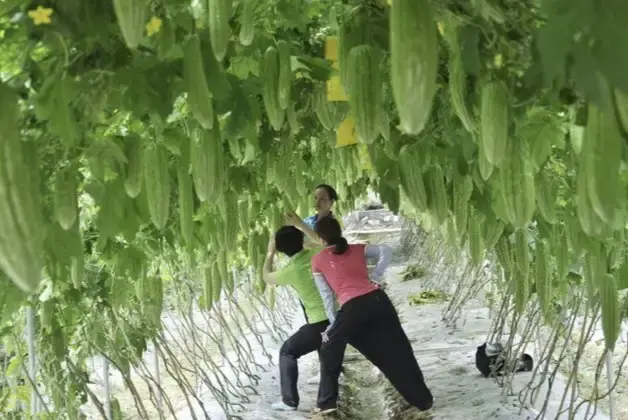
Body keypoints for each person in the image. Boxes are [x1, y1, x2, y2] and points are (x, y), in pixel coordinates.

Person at [285, 215, 434, 414]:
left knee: (330, 347)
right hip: (379, 301)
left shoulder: (317, 260)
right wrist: (376, 276)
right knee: (399, 350)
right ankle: (423, 400)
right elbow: (386, 250)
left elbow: (327, 297)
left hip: (353, 307)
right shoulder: (356, 248)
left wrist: (332, 324)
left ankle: (326, 404)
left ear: (320, 240)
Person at [261, 225, 333, 412]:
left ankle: (289, 401)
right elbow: (320, 241)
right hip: (339, 315)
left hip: (320, 321)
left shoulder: (291, 270)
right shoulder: (318, 253)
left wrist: (270, 253)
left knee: (287, 351)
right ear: (302, 241)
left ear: (281, 249)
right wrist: (300, 227)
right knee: (324, 347)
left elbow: (267, 277)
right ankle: (327, 402)